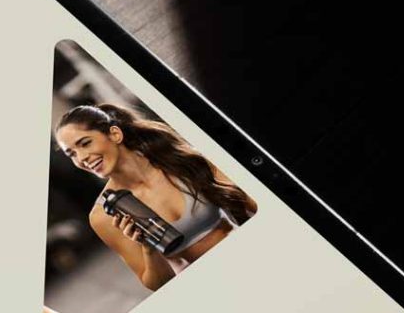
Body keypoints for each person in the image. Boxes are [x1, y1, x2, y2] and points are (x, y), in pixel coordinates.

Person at [54, 101, 258, 292]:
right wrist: (148, 247)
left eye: (85, 143)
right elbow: (157, 284)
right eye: (72, 154)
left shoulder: (177, 158)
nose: (82, 158)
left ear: (115, 134)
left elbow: (250, 200)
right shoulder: (102, 216)